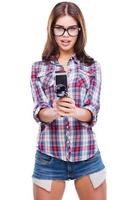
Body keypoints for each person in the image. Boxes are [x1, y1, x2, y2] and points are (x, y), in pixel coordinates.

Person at [30, 1, 106, 200]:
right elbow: (39, 112)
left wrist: (74, 110)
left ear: (79, 30)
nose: (66, 35)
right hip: (49, 158)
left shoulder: (92, 67)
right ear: (52, 30)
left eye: (72, 29)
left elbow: (93, 110)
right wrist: (54, 110)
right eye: (60, 28)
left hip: (87, 155)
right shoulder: (38, 68)